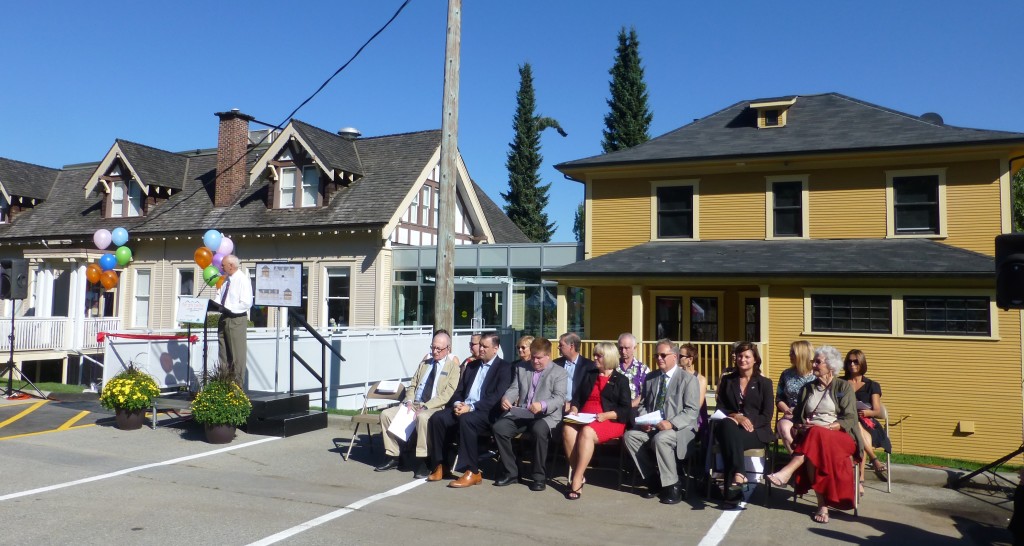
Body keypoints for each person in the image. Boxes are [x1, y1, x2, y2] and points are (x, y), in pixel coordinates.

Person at [766, 345, 865, 524]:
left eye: (818, 362)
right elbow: (797, 418)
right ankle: (822, 505)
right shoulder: (807, 388)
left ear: (831, 366)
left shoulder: (843, 387)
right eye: (814, 361)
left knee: (816, 434)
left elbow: (850, 418)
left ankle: (788, 471)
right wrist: (801, 426)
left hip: (840, 436)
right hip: (813, 435)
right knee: (814, 437)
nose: (814, 365)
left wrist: (832, 427)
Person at [426, 331, 513, 488]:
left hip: (486, 412)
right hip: (464, 408)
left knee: (467, 420)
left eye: (485, 347)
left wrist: (471, 407)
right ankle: (441, 465)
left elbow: (496, 397)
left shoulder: (505, 368)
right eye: (480, 346)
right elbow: (459, 391)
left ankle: (472, 471)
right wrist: (458, 403)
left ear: (496, 348)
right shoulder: (472, 366)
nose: (480, 349)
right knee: (437, 418)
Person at [375, 330, 461, 478]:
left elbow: (447, 394)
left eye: (438, 349)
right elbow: (413, 385)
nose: (434, 351)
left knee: (423, 418)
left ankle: (424, 460)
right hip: (414, 403)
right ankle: (393, 455)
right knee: (386, 415)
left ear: (448, 349)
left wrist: (426, 406)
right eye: (432, 347)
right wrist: (408, 401)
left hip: (434, 406)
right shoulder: (424, 364)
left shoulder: (453, 368)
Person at [624, 339, 701, 505]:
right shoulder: (651, 378)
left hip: (680, 429)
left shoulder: (687, 380)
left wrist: (671, 423)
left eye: (663, 355)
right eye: (656, 355)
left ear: (674, 356)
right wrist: (645, 420)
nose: (659, 358)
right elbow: (644, 404)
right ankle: (653, 480)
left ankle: (673, 485)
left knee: (662, 438)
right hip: (654, 426)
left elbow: (691, 411)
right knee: (630, 436)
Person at [492, 337, 568, 491]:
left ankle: (539, 476)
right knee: (499, 428)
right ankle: (511, 472)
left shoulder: (559, 372)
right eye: (533, 356)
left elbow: (559, 398)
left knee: (539, 430)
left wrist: (543, 404)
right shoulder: (522, 367)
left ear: (548, 356)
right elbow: (515, 389)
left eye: (539, 358)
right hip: (523, 412)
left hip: (546, 415)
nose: (535, 361)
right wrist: (507, 398)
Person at [562, 341, 632, 499]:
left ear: (608, 358)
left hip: (609, 420)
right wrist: (574, 409)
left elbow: (625, 409)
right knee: (567, 429)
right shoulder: (590, 374)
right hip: (584, 417)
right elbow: (577, 398)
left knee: (586, 432)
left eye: (598, 355)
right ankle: (578, 473)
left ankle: (577, 478)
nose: (594, 358)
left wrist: (607, 415)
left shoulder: (620, 380)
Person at [714, 341, 774, 502]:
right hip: (730, 425)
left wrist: (748, 421)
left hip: (755, 430)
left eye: (747, 356)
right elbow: (720, 408)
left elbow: (767, 415)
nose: (742, 359)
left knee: (731, 441)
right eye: (740, 356)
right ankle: (739, 478)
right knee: (727, 426)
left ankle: (732, 491)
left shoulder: (765, 383)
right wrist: (737, 417)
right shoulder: (728, 380)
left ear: (755, 359)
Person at [843, 349, 891, 491]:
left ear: (862, 363)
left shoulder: (872, 385)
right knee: (856, 427)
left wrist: (866, 412)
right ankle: (872, 461)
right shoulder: (841, 382)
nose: (852, 364)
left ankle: (860, 477)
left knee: (859, 430)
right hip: (846, 421)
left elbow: (877, 410)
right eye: (849, 361)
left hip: (867, 422)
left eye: (855, 361)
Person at [213, 255, 252, 386]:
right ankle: (224, 385)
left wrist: (229, 308)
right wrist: (214, 304)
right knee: (223, 354)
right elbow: (219, 297)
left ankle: (237, 387)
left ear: (231, 265)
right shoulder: (225, 280)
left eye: (223, 265)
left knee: (237, 355)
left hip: (236, 319)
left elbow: (246, 303)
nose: (221, 267)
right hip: (224, 317)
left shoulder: (242, 280)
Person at [776, 340, 816, 453]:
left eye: (793, 352)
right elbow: (779, 398)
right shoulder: (786, 374)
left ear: (802, 354)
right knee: (783, 427)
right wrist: (786, 410)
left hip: (811, 415)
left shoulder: (816, 375)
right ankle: (796, 459)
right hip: (791, 414)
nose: (790, 355)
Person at [554, 332, 596, 413]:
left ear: (571, 346)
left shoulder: (589, 366)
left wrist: (573, 405)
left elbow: (588, 392)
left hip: (579, 409)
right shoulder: (555, 364)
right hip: (557, 407)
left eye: (561, 345)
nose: (558, 347)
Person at [678, 343, 709, 440]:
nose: (677, 358)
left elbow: (698, 405)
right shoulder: (676, 375)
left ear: (690, 359)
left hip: (693, 419)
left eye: (680, 356)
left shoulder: (701, 380)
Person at [616, 332, 647, 408]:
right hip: (614, 409)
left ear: (634, 348)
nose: (623, 351)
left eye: (627, 348)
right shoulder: (613, 366)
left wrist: (629, 406)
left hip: (634, 409)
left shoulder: (642, 369)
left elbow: (645, 393)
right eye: (621, 348)